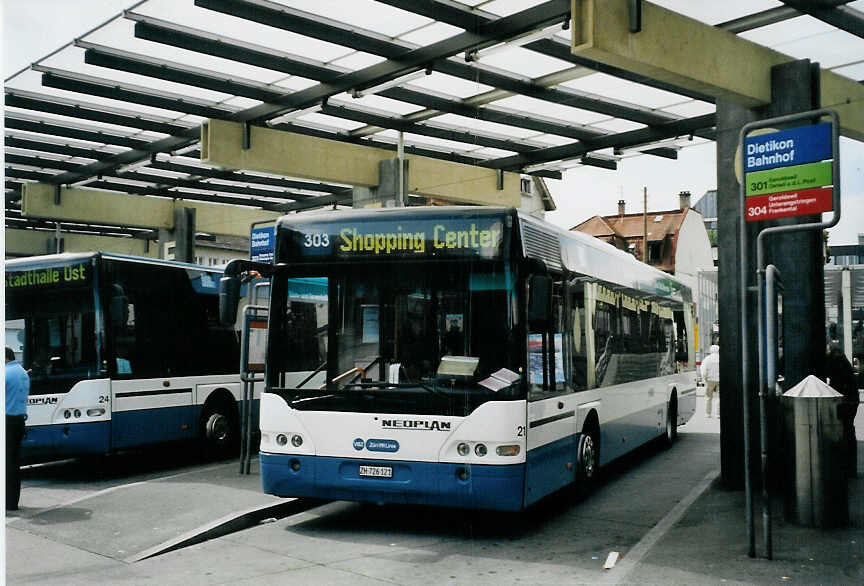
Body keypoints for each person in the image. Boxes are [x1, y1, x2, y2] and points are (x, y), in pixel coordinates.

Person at [824, 340, 859, 478]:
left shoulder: (835, 362)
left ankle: (846, 466)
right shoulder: (841, 361)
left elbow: (836, 384)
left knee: (844, 431)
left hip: (845, 400)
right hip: (851, 399)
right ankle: (850, 467)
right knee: (848, 429)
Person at [5, 345, 30, 511]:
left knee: (6, 464)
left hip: (7, 421)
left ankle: (7, 502)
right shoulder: (23, 373)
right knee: (13, 463)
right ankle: (12, 502)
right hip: (19, 421)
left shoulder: (5, 373)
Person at [701, 344, 720, 418]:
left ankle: (708, 413)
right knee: (719, 397)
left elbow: (703, 371)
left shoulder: (707, 359)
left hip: (710, 380)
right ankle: (718, 414)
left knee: (708, 397)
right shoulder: (721, 358)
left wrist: (704, 379)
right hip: (719, 380)